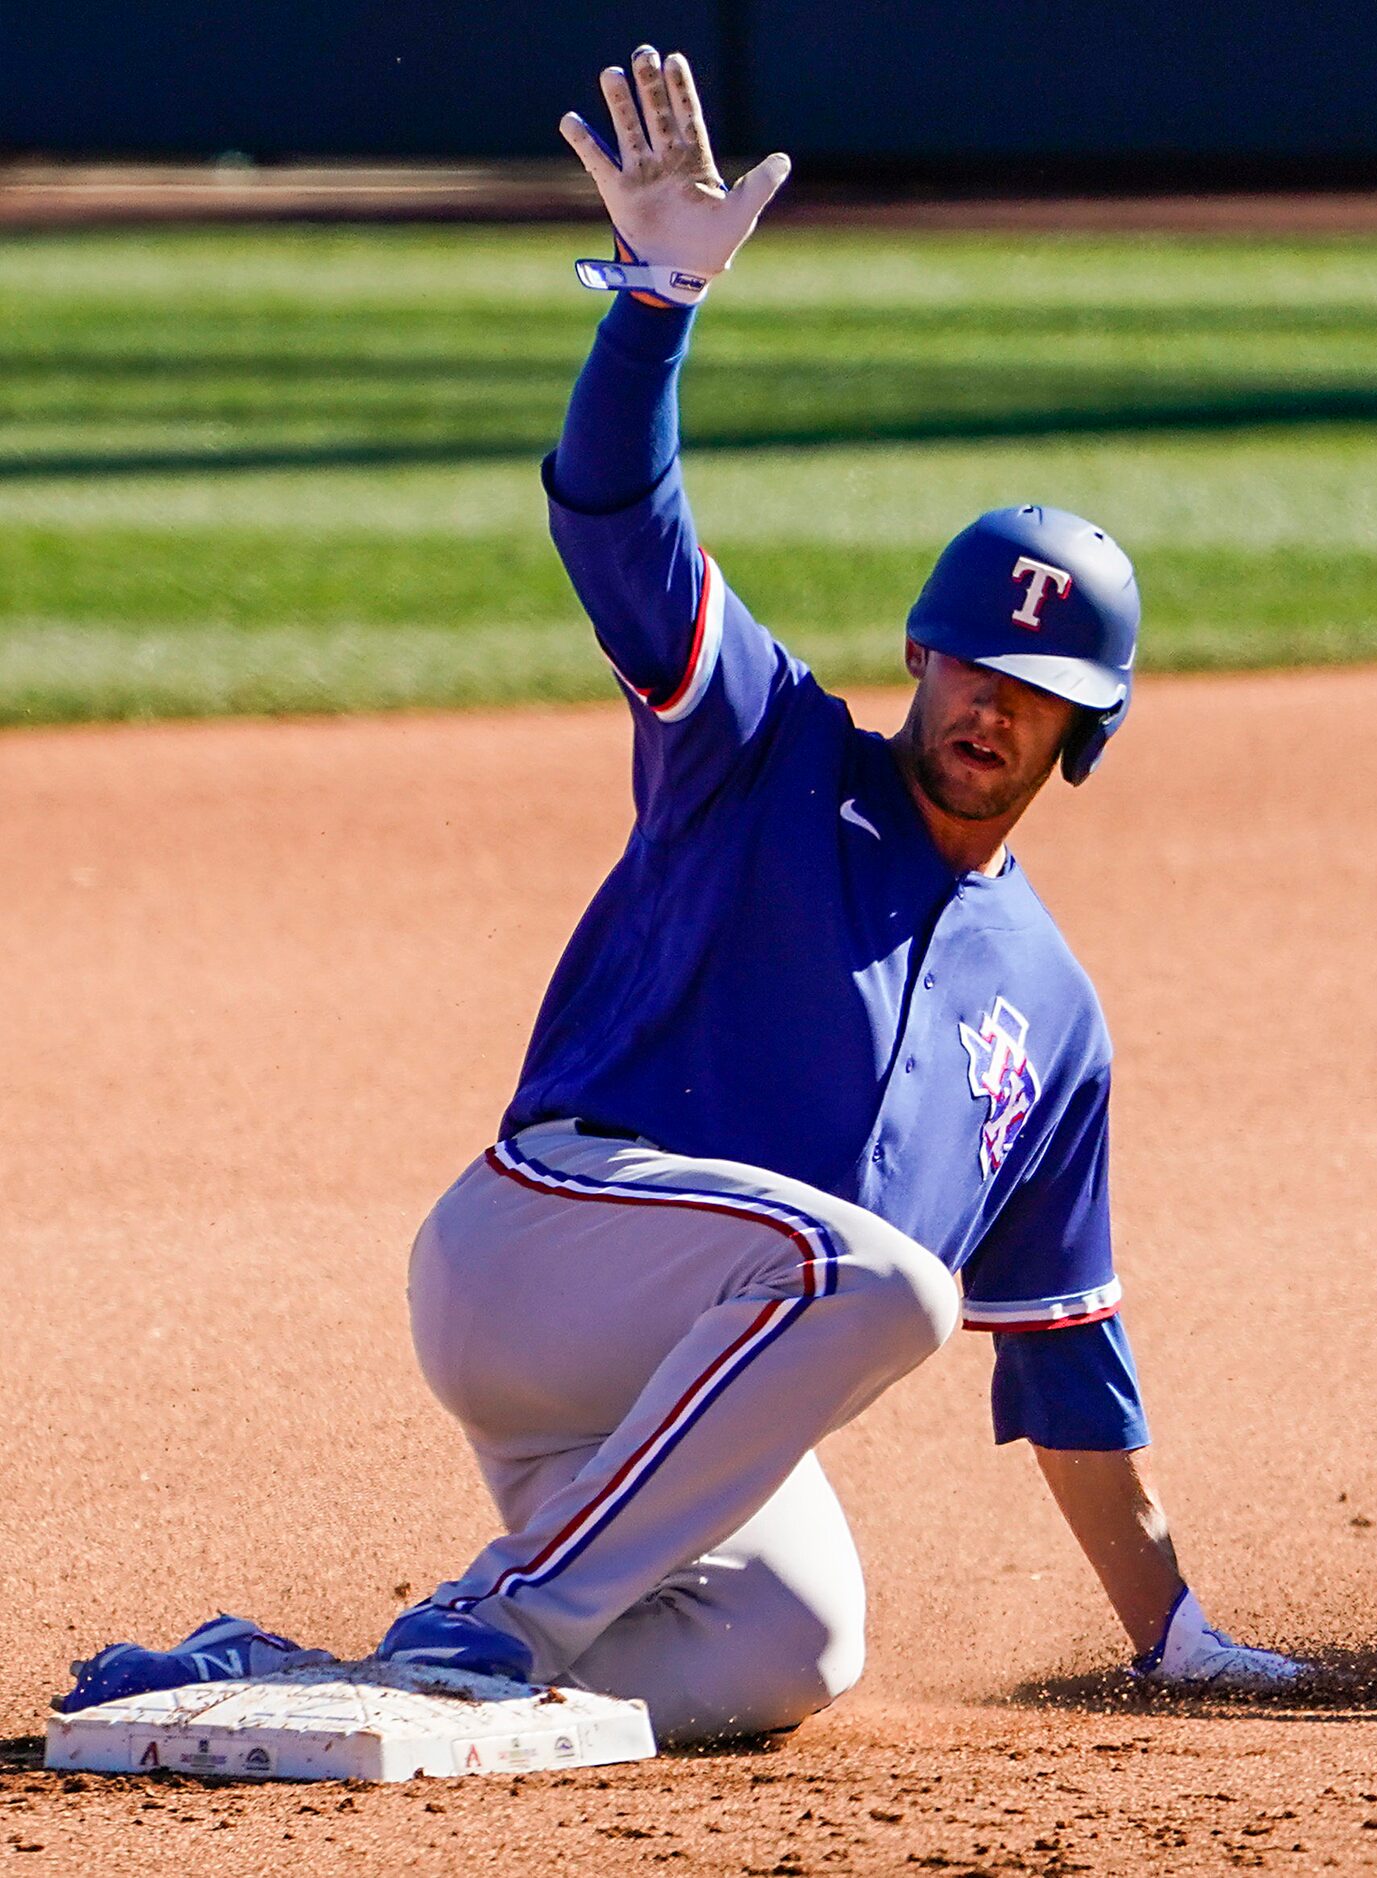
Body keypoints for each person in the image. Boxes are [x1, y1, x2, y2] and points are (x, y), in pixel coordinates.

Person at [62, 46, 1304, 1737]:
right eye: (965, 663)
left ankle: (286, 1668)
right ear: (918, 657)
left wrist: (1172, 1635)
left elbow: (1064, 1354)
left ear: (1083, 732)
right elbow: (615, 528)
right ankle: (497, 1608)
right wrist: (654, 302)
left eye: (1032, 690)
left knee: (791, 1643)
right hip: (533, 1256)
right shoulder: (765, 749)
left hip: (667, 1407)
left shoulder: (1053, 1020)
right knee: (881, 1284)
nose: (984, 705)